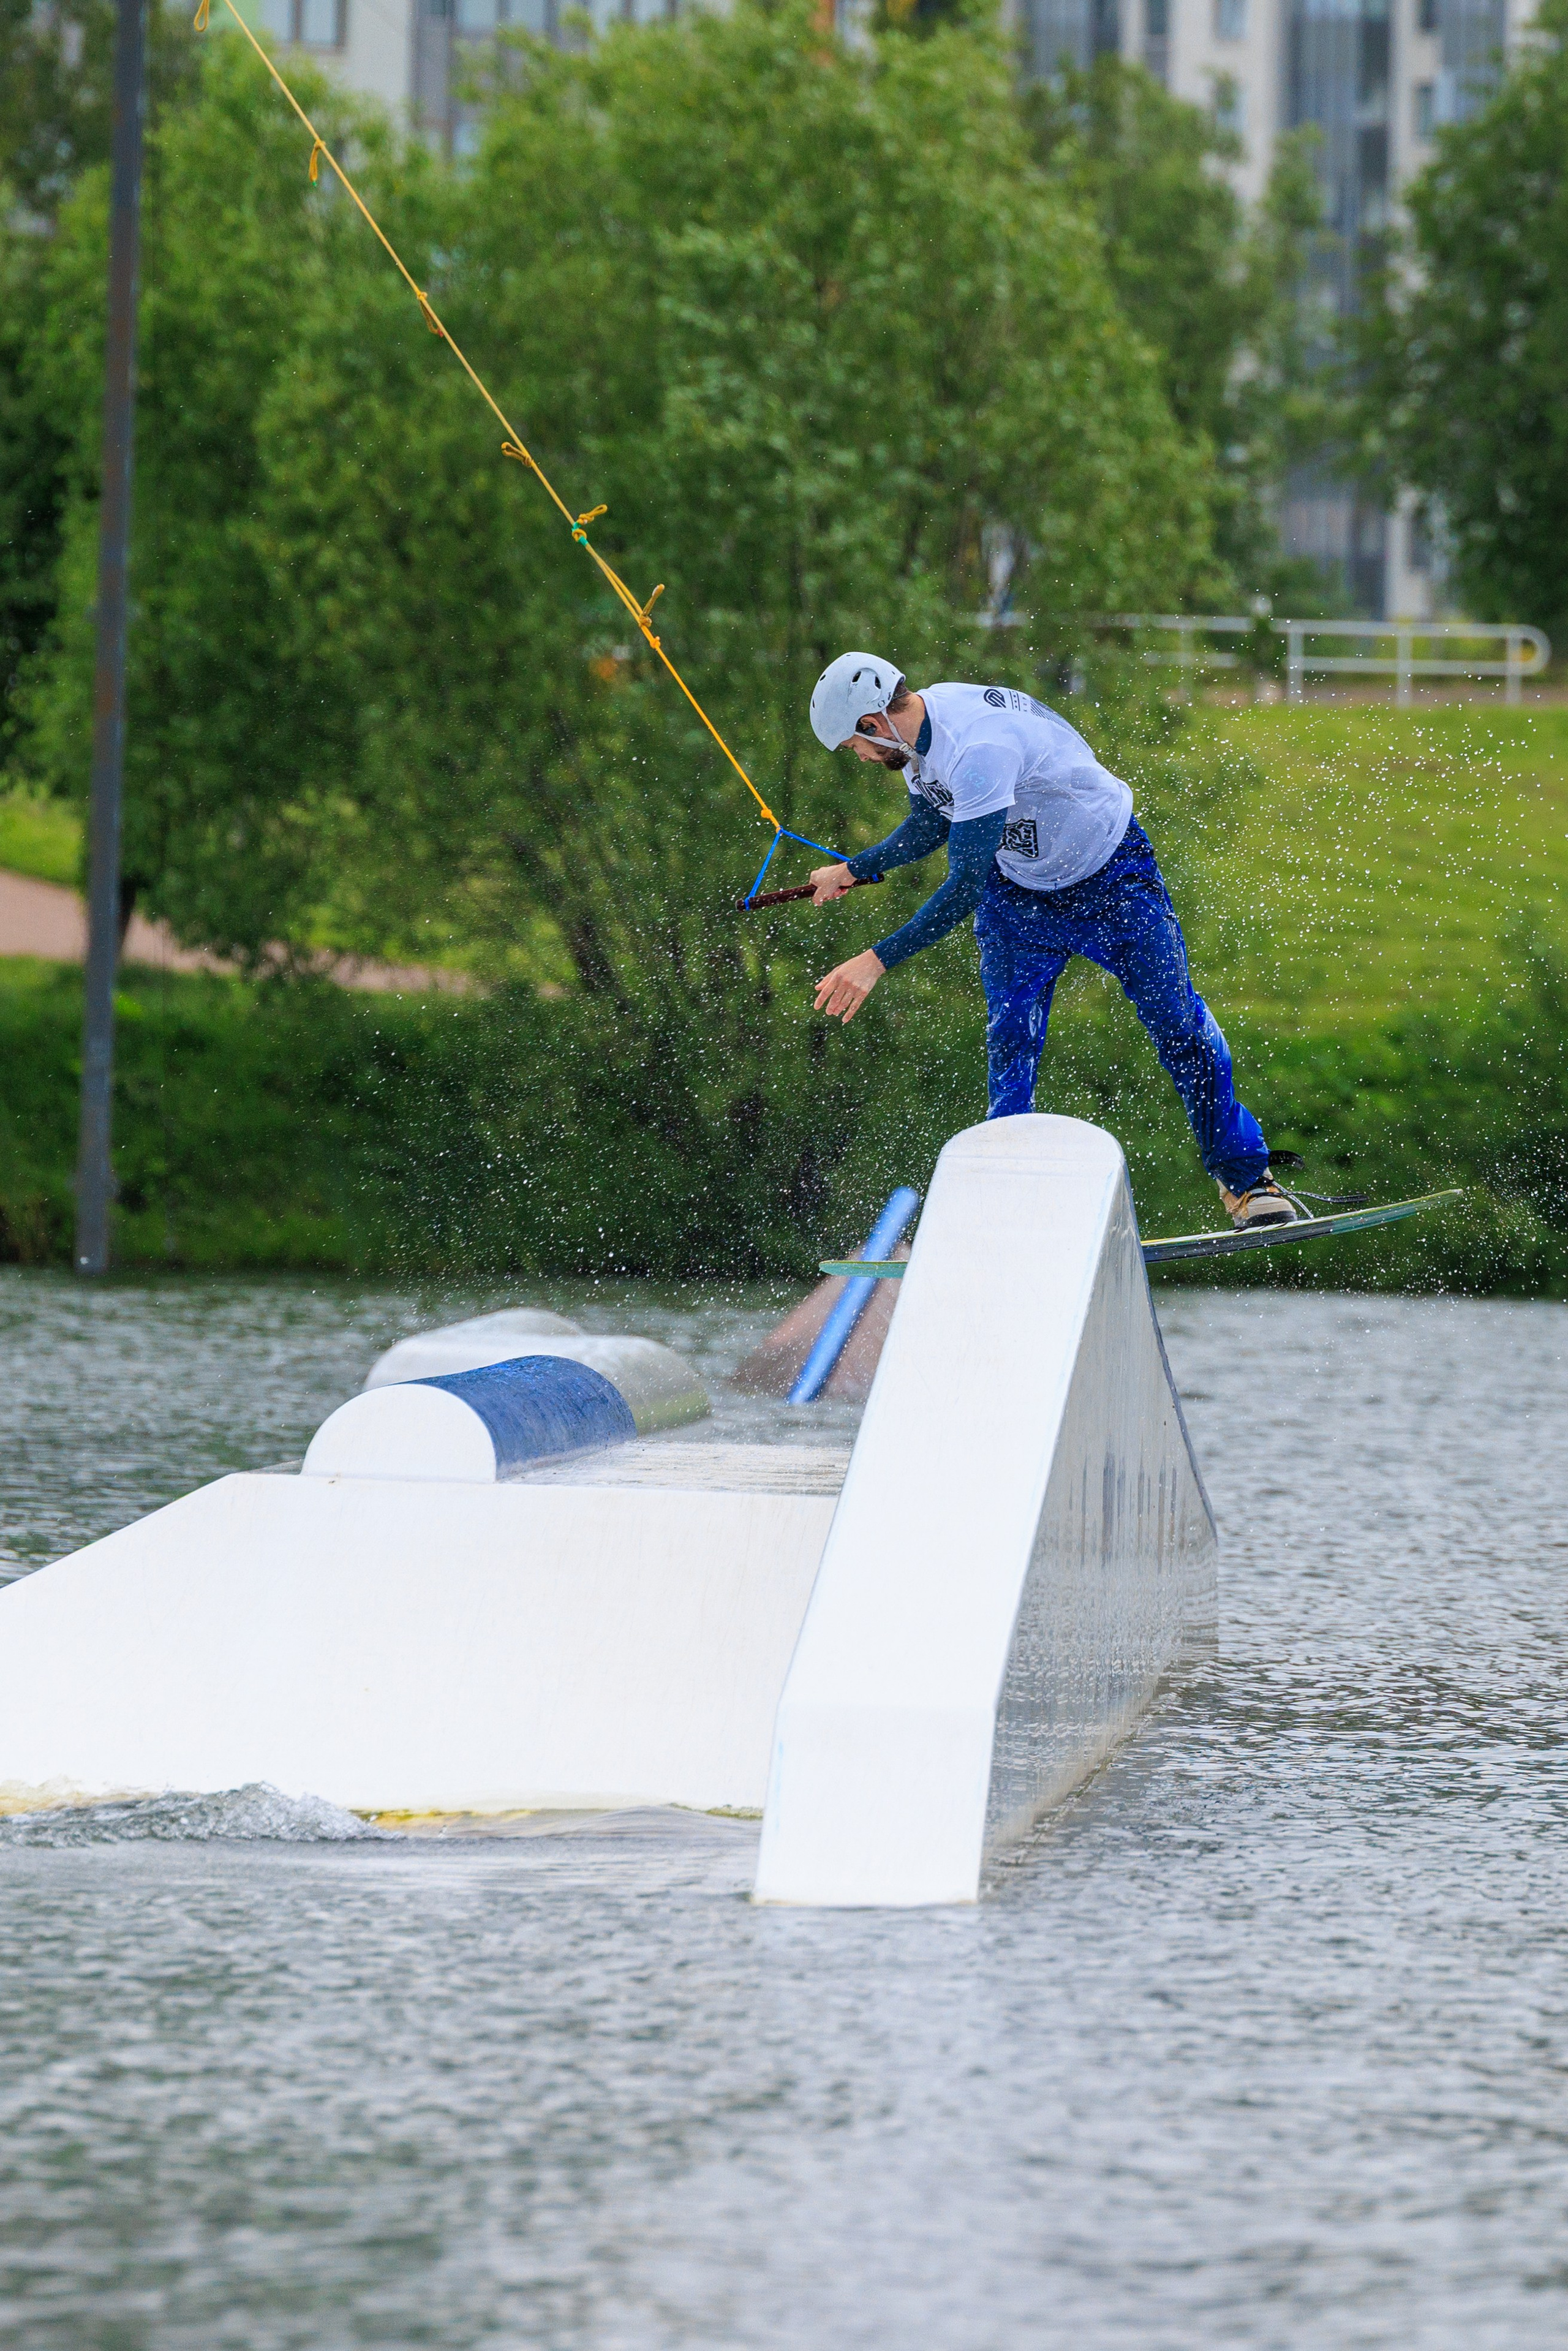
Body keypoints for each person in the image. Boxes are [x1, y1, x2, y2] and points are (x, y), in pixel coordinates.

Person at [804, 651, 1298, 1231]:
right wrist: (855, 869)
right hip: (1019, 899)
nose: (860, 759)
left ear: (872, 723)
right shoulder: (917, 742)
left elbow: (963, 887)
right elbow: (932, 822)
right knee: (1012, 1038)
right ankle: (1009, 1206)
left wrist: (875, 960)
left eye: (852, 747)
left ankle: (1246, 1182)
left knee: (1177, 1024)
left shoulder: (976, 750)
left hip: (1114, 881)